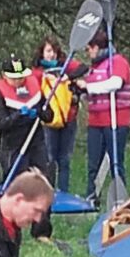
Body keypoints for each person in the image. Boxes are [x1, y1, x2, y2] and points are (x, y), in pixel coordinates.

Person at [0, 55, 54, 239]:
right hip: (13, 146)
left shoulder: (34, 89)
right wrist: (19, 115)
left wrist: (41, 112)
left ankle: (42, 231)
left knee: (44, 182)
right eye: (13, 77)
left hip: (36, 142)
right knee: (15, 188)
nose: (18, 81)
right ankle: (11, 230)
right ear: (4, 76)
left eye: (20, 77)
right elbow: (1, 124)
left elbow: (49, 115)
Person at [77, 29, 130, 201]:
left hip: (116, 120)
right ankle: (92, 196)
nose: (88, 53)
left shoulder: (117, 62)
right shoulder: (94, 68)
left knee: (116, 162)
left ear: (97, 47)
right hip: (96, 121)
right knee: (94, 163)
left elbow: (115, 83)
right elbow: (93, 92)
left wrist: (88, 87)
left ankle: (120, 198)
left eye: (89, 49)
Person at [34, 36, 83, 194]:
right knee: (49, 158)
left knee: (65, 158)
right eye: (48, 51)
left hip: (68, 118)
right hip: (49, 121)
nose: (52, 55)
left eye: (54, 51)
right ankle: (48, 191)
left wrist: (67, 77)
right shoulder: (37, 72)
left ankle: (63, 191)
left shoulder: (65, 66)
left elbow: (83, 68)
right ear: (42, 52)